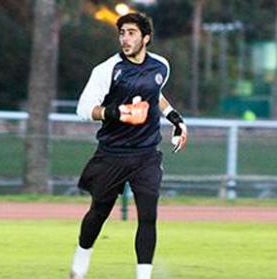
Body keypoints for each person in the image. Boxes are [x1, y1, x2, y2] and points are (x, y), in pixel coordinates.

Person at [69, 13, 188, 279]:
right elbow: (83, 109)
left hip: (146, 155)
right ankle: (80, 260)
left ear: (146, 38)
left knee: (148, 216)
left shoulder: (161, 66)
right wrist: (117, 113)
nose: (125, 38)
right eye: (122, 33)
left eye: (132, 33)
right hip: (112, 154)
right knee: (98, 213)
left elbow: (155, 94)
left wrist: (176, 119)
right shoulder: (106, 70)